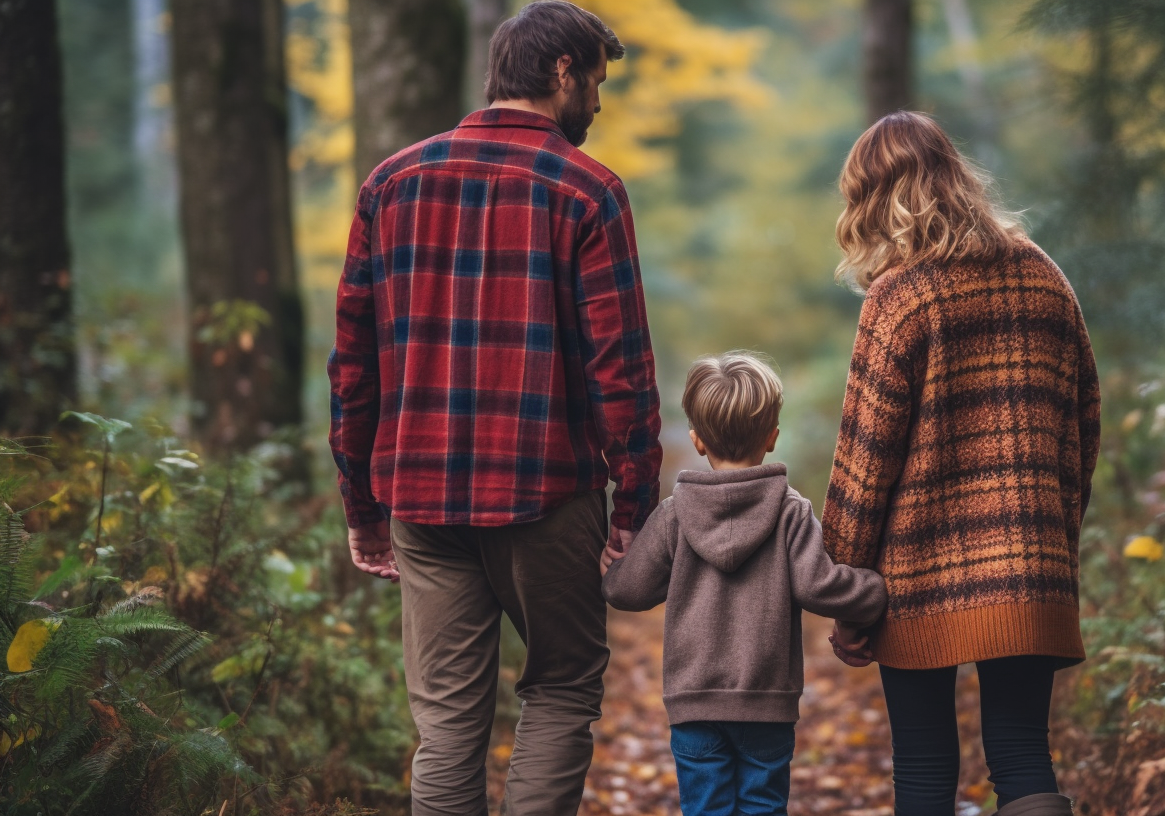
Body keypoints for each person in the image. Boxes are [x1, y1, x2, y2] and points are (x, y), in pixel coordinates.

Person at [326, 3, 662, 814]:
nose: (599, 102)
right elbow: (620, 370)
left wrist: (362, 506)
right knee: (563, 686)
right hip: (545, 495)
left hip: (420, 496)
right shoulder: (589, 191)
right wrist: (633, 511)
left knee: (444, 723)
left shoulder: (391, 182)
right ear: (561, 73)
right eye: (597, 82)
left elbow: (352, 365)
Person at [821, 111, 1101, 816]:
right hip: (1030, 559)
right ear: (954, 175)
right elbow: (1084, 423)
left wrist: (846, 590)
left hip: (919, 574)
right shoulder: (1043, 275)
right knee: (1022, 753)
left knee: (922, 767)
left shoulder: (899, 297)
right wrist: (1054, 535)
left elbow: (864, 462)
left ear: (875, 198)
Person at [602, 352, 887, 816]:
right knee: (762, 806)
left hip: (694, 704)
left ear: (696, 440)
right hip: (766, 704)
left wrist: (614, 568)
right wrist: (874, 589)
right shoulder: (790, 511)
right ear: (772, 437)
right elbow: (820, 586)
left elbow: (626, 592)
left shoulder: (676, 514)